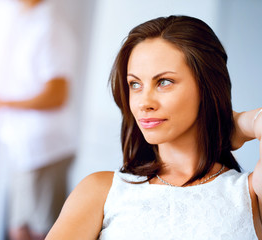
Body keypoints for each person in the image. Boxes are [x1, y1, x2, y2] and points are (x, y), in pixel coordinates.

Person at [45, 15, 262, 239]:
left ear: (207, 86)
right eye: (135, 84)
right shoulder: (100, 191)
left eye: (164, 82)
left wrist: (243, 123)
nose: (143, 102)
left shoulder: (251, 195)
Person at [0, 0, 78, 239]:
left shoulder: (51, 27)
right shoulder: (16, 18)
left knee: (42, 232)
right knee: (19, 229)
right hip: (24, 147)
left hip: (46, 148)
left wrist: (2, 103)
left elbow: (57, 95)